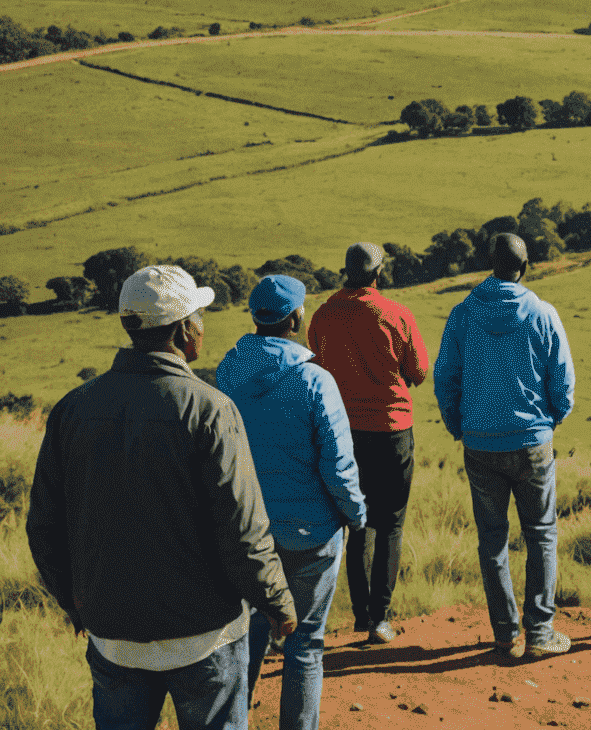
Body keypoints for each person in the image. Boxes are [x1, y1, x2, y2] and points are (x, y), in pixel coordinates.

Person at [27, 264, 297, 730]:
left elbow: (43, 526)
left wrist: (75, 602)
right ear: (183, 329)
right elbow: (242, 530)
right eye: (199, 317)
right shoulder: (210, 410)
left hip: (113, 634)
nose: (203, 328)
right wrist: (277, 602)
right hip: (204, 634)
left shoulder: (72, 409)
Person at [217, 273, 368, 730]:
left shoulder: (228, 372)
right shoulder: (315, 380)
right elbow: (339, 466)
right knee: (305, 644)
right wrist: (356, 514)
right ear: (296, 317)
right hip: (309, 533)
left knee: (248, 635)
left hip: (246, 532)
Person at [433, 232, 576, 659]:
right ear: (525, 266)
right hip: (533, 440)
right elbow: (563, 383)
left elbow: (445, 378)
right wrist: (551, 420)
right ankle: (540, 633)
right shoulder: (544, 314)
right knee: (542, 535)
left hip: (479, 444)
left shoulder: (461, 315)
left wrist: (459, 426)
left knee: (492, 540)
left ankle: (503, 634)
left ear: (489, 265)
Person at [308, 241, 430, 643]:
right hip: (392, 429)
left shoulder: (324, 316)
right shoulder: (396, 313)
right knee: (390, 523)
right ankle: (380, 618)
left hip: (343, 431)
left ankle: (361, 615)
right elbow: (419, 370)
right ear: (379, 273)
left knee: (356, 524)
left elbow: (318, 366)